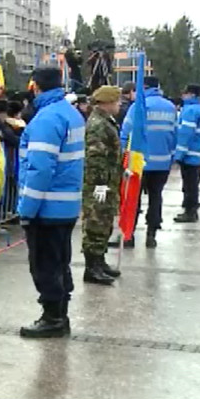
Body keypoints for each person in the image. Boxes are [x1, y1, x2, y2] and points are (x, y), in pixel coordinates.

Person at [18, 65, 85, 339]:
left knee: (45, 265)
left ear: (35, 85)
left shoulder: (46, 119)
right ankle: (60, 314)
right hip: (66, 204)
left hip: (47, 207)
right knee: (60, 262)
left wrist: (26, 210)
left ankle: (52, 317)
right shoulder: (70, 113)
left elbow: (40, 169)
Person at [120, 76, 176, 248]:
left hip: (139, 161)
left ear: (143, 87)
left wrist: (122, 156)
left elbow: (125, 133)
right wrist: (172, 157)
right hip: (162, 162)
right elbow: (175, 134)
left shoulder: (138, 106)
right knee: (156, 197)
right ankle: (151, 234)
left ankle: (129, 236)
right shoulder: (170, 107)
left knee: (133, 198)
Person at [81, 86, 123, 286]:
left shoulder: (105, 121)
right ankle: (92, 267)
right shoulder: (98, 124)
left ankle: (100, 261)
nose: (119, 105)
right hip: (99, 184)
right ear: (107, 102)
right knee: (96, 222)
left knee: (105, 221)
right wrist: (100, 184)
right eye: (117, 101)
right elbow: (96, 157)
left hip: (107, 181)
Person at [174, 84, 200, 223]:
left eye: (185, 93)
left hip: (190, 155)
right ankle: (191, 209)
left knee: (190, 185)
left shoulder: (190, 110)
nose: (183, 95)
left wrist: (179, 155)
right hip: (197, 153)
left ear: (192, 94)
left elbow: (185, 134)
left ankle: (190, 211)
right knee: (194, 184)